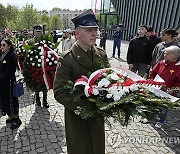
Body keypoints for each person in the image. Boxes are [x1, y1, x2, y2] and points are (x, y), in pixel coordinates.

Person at [53, 9, 109, 154]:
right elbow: (59, 92)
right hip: (77, 116)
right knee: (80, 148)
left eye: (95, 29)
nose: (94, 33)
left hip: (97, 117)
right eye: (89, 30)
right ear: (77, 34)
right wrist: (86, 107)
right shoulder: (67, 59)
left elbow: (108, 80)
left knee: (97, 147)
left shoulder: (101, 54)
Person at [149, 46, 180, 128]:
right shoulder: (161, 63)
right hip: (155, 89)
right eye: (164, 53)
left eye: (167, 53)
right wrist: (152, 80)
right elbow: (152, 73)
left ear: (174, 56)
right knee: (151, 103)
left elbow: (178, 84)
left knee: (163, 108)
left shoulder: (178, 68)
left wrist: (169, 90)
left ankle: (160, 120)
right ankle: (149, 117)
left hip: (167, 93)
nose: (164, 55)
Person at [0, 38, 22, 130]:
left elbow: (10, 70)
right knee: (6, 99)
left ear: (9, 46)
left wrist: (2, 77)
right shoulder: (3, 54)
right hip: (3, 82)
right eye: (1, 45)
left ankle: (16, 118)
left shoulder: (12, 55)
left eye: (3, 45)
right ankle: (11, 117)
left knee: (12, 100)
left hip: (9, 82)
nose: (1, 47)